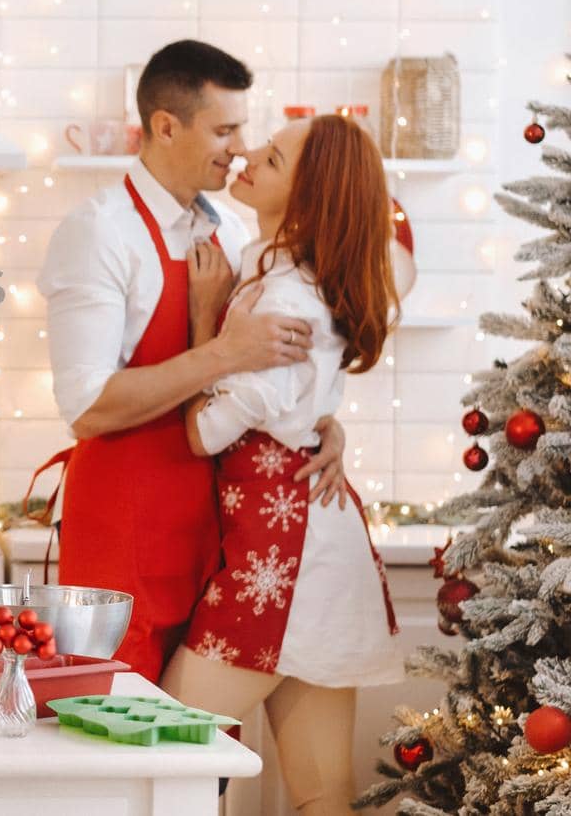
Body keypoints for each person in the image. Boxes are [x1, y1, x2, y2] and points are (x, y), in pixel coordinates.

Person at [36, 39, 350, 684]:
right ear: (166, 126)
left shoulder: (233, 232)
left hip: (213, 531)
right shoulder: (98, 233)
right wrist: (220, 352)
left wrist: (319, 420)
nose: (239, 147)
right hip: (123, 531)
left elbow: (264, 372)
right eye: (224, 129)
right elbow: (88, 409)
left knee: (203, 760)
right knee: (115, 732)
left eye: (244, 129)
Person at [162, 114, 402, 815]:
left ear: (306, 199)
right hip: (311, 549)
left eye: (268, 159)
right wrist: (323, 422)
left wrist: (208, 325)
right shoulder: (273, 267)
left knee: (164, 752)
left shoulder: (285, 298)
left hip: (280, 566)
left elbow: (206, 431)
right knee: (322, 795)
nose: (246, 161)